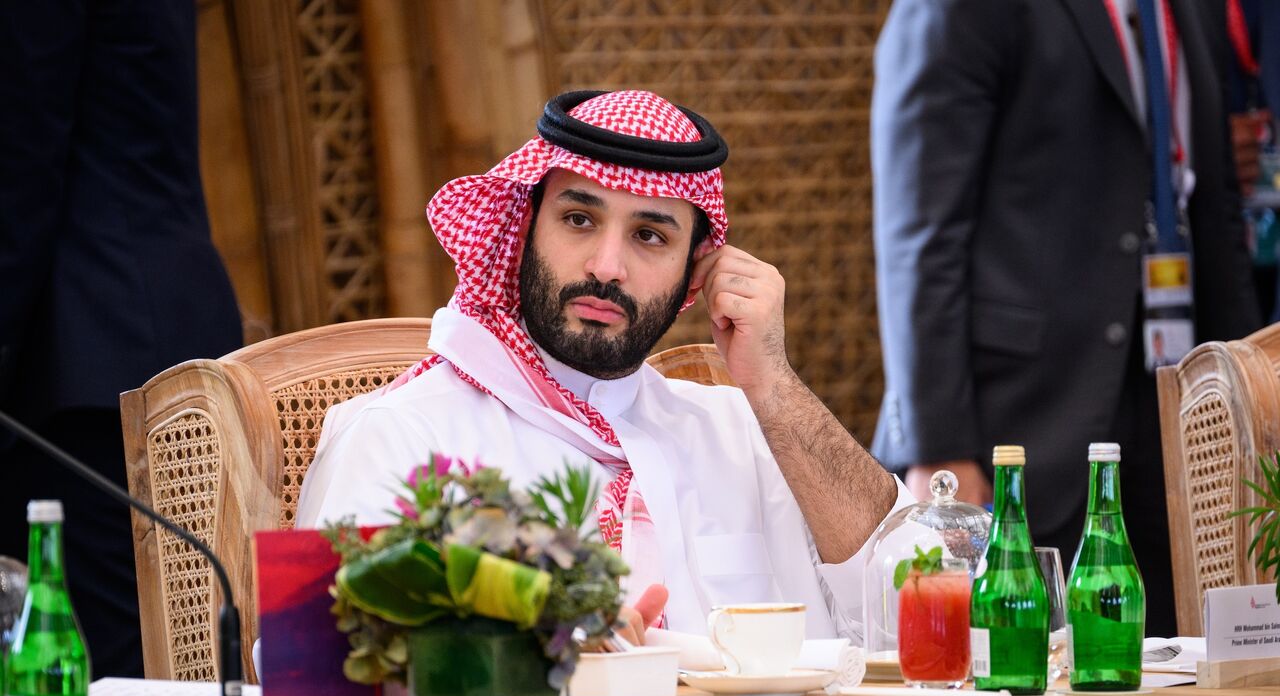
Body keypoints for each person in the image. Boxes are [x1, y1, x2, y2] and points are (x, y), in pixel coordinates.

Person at [296, 90, 910, 643]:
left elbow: (923, 600)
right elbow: (329, 674)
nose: (606, 265)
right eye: (579, 219)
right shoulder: (408, 435)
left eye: (649, 235)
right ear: (525, 228)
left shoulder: (745, 430)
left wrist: (773, 387)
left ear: (696, 270)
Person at [871, 0, 1261, 637]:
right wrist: (942, 452)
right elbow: (920, 233)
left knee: (1171, 672)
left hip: (1177, 425)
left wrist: (1255, 415)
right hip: (1019, 424)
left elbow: (1215, 211)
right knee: (1015, 680)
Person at [0, 2, 243, 677]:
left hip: (78, 361)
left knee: (119, 678)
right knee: (175, 664)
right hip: (151, 328)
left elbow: (19, 155)